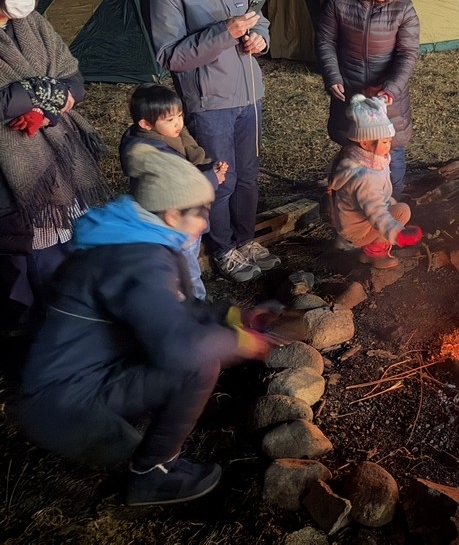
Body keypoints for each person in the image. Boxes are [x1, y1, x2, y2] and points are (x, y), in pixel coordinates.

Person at [15, 143, 277, 506]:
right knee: (198, 365)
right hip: (64, 399)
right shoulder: (137, 258)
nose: (205, 223)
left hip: (83, 374)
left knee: (199, 347)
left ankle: (151, 428)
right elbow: (179, 347)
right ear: (171, 213)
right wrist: (242, 343)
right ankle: (151, 474)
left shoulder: (136, 239)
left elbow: (175, 310)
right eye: (200, 213)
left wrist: (233, 318)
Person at [143, 0, 280, 284]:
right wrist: (226, 33)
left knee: (248, 175)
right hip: (209, 102)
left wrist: (259, 38)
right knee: (221, 179)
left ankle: (246, 239)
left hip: (248, 94)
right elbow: (170, 56)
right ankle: (223, 248)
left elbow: (258, 18)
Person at [0, 0, 111, 332]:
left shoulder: (32, 24)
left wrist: (51, 100)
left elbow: (73, 78)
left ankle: (75, 323)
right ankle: (33, 337)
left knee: (67, 247)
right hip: (11, 176)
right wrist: (36, 90)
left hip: (57, 160)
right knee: (26, 260)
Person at [316, 0, 420, 197]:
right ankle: (350, 211)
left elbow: (407, 54)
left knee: (391, 157)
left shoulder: (403, 8)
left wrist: (390, 89)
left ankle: (391, 208)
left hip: (388, 102)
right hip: (350, 94)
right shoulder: (338, 0)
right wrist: (333, 76)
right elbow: (325, 41)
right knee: (352, 157)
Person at [119, 83, 230, 300]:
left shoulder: (170, 137)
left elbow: (188, 166)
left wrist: (210, 169)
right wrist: (212, 178)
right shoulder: (148, 152)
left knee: (188, 264)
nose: (178, 123)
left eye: (180, 115)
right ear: (146, 124)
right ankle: (194, 305)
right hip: (172, 225)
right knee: (186, 273)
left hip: (184, 218)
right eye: (170, 119)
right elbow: (179, 182)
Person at [327, 94, 423, 269]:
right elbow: (376, 212)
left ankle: (358, 241)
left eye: (389, 141)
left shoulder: (360, 158)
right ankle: (374, 253)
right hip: (356, 230)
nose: (389, 146)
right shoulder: (365, 177)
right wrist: (397, 233)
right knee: (402, 212)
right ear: (365, 143)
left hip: (351, 223)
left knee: (394, 205)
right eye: (385, 141)